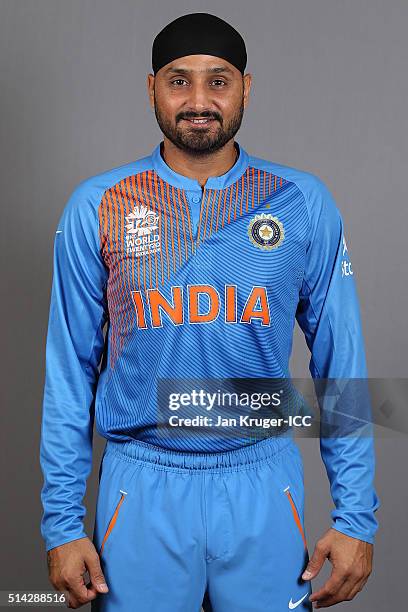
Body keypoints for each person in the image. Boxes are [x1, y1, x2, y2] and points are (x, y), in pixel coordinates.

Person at [40, 12, 379, 611]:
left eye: (218, 81)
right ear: (152, 88)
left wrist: (357, 517)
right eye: (179, 81)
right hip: (141, 486)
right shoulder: (99, 205)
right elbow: (69, 375)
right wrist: (63, 524)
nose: (199, 101)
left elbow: (340, 363)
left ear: (247, 86)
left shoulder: (300, 202)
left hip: (262, 483)